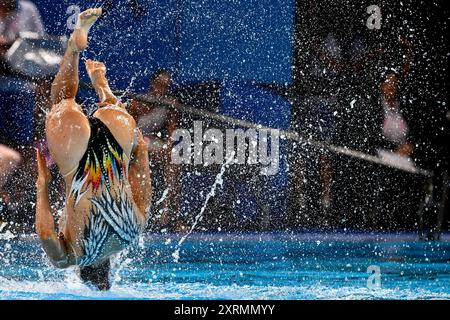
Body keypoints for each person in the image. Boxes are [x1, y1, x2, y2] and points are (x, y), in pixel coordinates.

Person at [35, 8, 151, 290]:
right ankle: (74, 47)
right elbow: (46, 234)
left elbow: (142, 153)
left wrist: (113, 107)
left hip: (115, 144)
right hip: (76, 165)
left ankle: (104, 89)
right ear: (83, 272)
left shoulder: (136, 230)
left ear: (109, 268)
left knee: (123, 129)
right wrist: (42, 183)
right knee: (62, 100)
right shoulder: (70, 258)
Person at [128, 70, 183, 231]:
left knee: (173, 161)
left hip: (154, 142)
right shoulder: (137, 102)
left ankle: (167, 213)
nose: (161, 88)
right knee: (143, 149)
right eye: (159, 84)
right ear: (152, 84)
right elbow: (129, 128)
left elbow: (172, 133)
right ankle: (136, 211)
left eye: (165, 86)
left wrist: (167, 147)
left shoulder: (169, 103)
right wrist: (141, 142)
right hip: (135, 140)